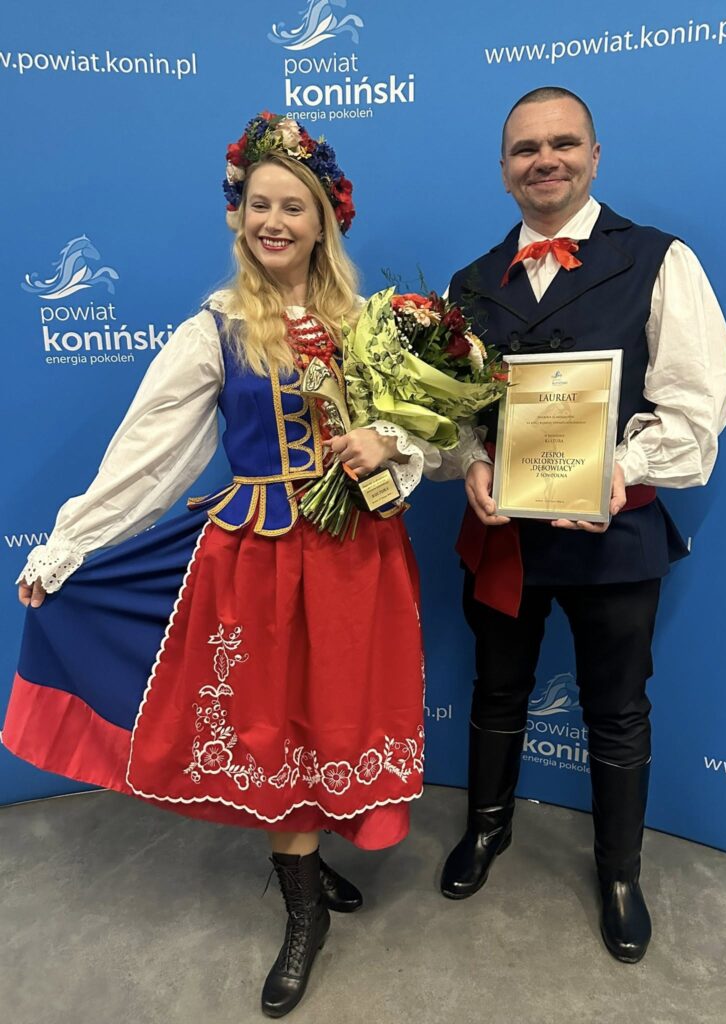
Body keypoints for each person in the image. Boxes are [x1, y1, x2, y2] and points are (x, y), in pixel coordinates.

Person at [4, 113, 428, 1017]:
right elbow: (149, 453)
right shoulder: (219, 328)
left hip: (358, 554)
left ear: (324, 220)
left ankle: (309, 862)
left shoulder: (372, 325)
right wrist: (72, 543)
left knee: (333, 714)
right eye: (257, 204)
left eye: (293, 207)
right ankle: (306, 908)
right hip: (263, 560)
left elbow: (429, 436)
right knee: (275, 723)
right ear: (238, 214)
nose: (273, 221)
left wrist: (390, 442)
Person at [438, 87, 726, 963]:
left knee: (616, 709)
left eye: (563, 143)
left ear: (595, 156)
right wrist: (473, 462)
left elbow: (699, 405)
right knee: (497, 691)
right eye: (526, 149)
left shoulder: (659, 260)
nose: (546, 160)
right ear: (504, 170)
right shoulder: (467, 284)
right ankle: (485, 828)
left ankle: (619, 873)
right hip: (506, 535)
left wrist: (623, 468)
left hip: (615, 535)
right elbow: (454, 418)